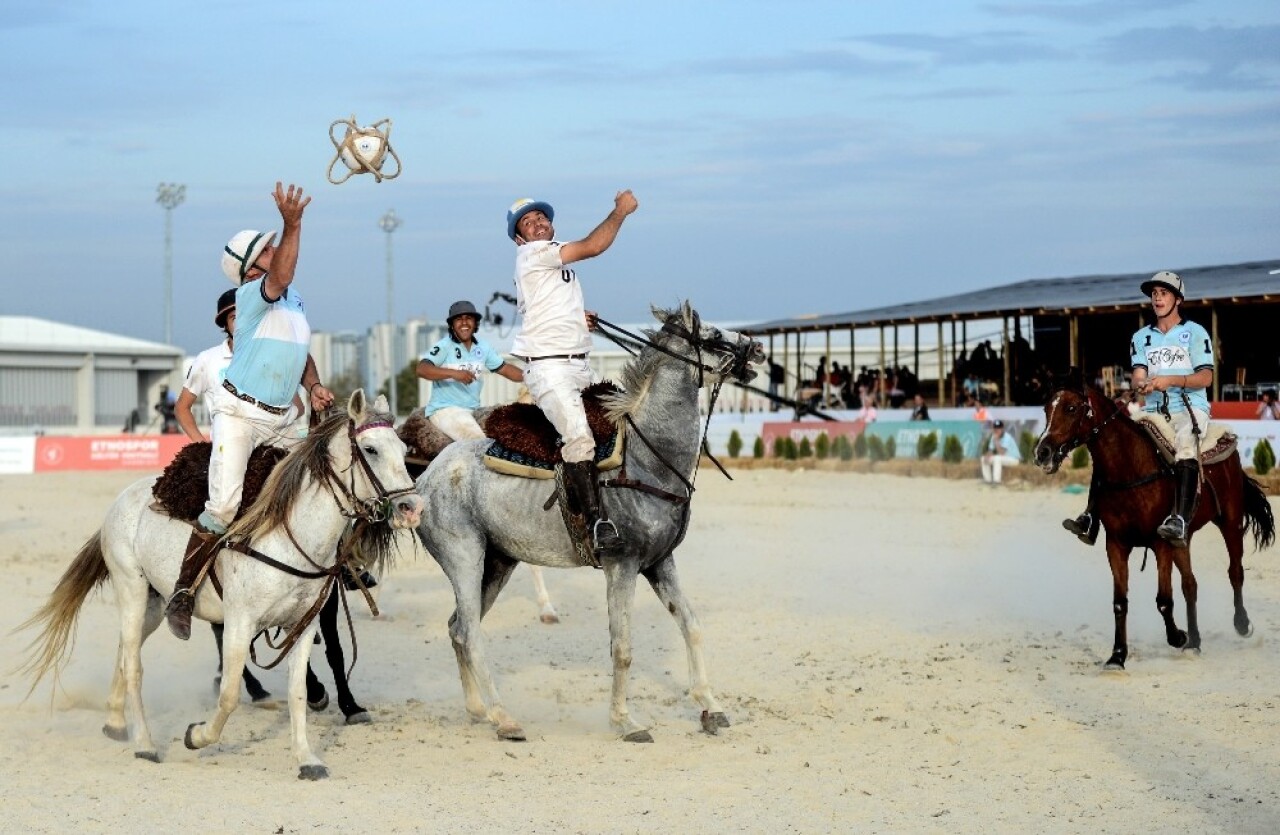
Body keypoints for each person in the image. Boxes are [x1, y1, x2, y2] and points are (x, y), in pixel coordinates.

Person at [165, 182, 336, 641]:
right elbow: (280, 273)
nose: (276, 250)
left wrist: (314, 385)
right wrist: (293, 223)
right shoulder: (255, 295)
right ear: (250, 269)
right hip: (239, 415)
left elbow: (300, 351)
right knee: (222, 508)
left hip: (282, 417)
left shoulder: (293, 299)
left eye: (275, 243)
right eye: (267, 248)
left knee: (316, 487)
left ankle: (312, 582)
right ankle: (183, 592)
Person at [506, 190, 637, 558]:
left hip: (578, 363)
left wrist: (579, 321)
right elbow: (594, 246)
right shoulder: (533, 253)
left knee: (624, 419)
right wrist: (620, 211)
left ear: (552, 223)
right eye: (527, 224)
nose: (536, 224)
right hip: (550, 369)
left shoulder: (555, 262)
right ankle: (595, 526)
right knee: (580, 440)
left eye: (540, 218)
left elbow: (546, 306)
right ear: (520, 239)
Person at [1063, 271, 1213, 548]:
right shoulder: (1141, 337)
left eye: (1164, 293)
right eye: (1154, 293)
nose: (1157, 298)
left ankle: (1179, 519)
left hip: (1189, 409)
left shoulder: (1196, 333)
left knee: (1186, 447)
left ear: (1178, 299)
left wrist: (1171, 380)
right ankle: (1090, 517)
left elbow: (1206, 378)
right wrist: (1142, 384)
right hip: (1153, 411)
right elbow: (1138, 374)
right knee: (1114, 445)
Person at [416, 300, 525, 440]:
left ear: (475, 323)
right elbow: (422, 369)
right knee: (477, 442)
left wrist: (530, 376)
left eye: (469, 318)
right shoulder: (444, 346)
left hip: (472, 411)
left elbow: (504, 368)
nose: (464, 323)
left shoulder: (483, 347)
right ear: (452, 325)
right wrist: (454, 373)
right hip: (445, 410)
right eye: (458, 319)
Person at [980, 420, 1020, 485]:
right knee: (983, 458)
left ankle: (996, 481)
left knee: (997, 458)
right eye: (995, 428)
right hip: (1004, 458)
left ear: (1002, 428)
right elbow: (990, 450)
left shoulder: (1007, 437)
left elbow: (1001, 453)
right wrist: (987, 456)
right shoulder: (994, 436)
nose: (997, 430)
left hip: (1014, 459)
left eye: (998, 428)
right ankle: (988, 480)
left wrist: (996, 440)